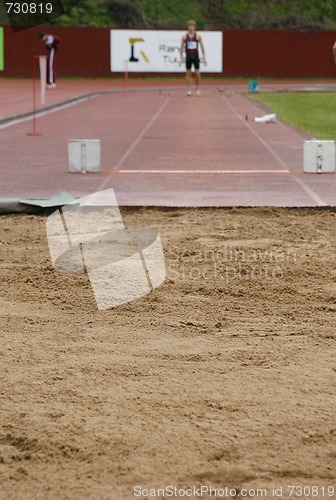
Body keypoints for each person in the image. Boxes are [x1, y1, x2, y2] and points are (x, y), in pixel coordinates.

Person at [180, 20, 207, 96]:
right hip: (188, 57)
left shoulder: (198, 37)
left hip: (195, 56)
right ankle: (189, 89)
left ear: (194, 27)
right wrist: (181, 58)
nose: (191, 28)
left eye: (192, 26)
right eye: (189, 26)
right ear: (188, 27)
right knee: (188, 73)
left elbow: (202, 47)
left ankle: (197, 88)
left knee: (197, 73)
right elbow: (181, 48)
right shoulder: (184, 37)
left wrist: (204, 58)